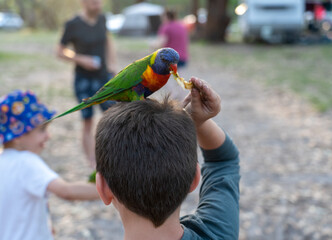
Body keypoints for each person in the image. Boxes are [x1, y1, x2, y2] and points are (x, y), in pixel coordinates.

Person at [95, 77, 240, 239]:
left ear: (102, 188)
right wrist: (194, 122)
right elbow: (224, 160)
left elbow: (224, 161)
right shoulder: (218, 233)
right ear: (194, 178)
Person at [0, 90, 100, 240]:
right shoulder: (26, 162)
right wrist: (109, 191)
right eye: (42, 129)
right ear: (18, 136)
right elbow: (66, 191)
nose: (48, 135)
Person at [57, 0, 117, 167]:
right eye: (93, 1)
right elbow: (60, 51)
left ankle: (112, 155)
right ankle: (92, 162)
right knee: (88, 121)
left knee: (113, 116)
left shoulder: (102, 19)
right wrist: (80, 59)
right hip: (83, 80)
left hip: (104, 78)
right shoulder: (72, 24)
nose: (97, 3)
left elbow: (107, 41)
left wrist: (112, 65)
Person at [152, 9, 190, 102]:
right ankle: (181, 99)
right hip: (183, 56)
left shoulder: (166, 27)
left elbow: (161, 42)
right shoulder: (181, 26)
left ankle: (173, 96)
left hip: (170, 58)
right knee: (180, 79)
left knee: (166, 78)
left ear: (166, 16)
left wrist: (152, 44)